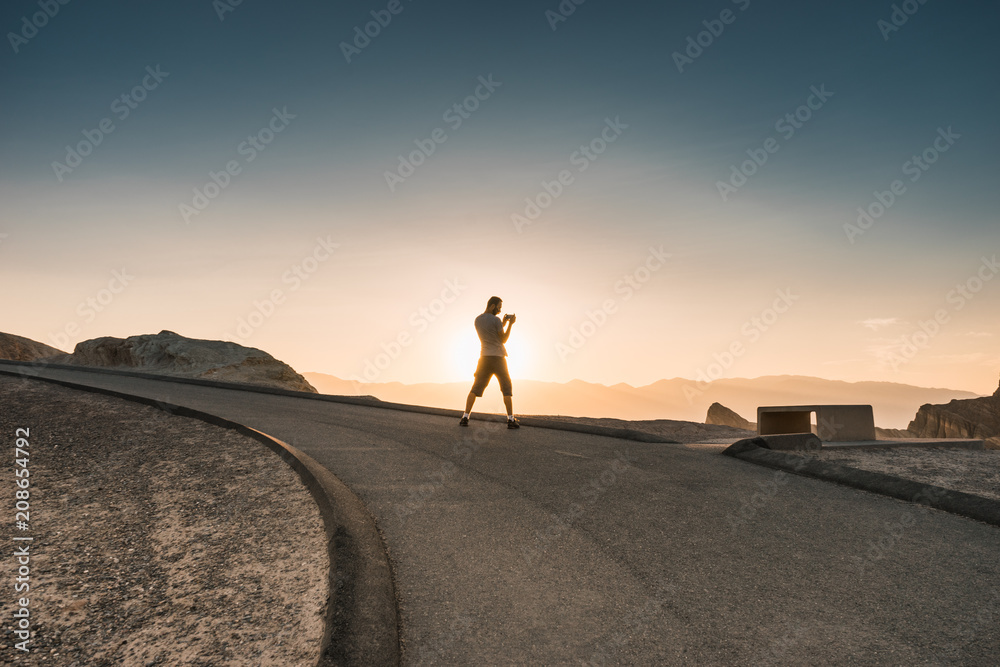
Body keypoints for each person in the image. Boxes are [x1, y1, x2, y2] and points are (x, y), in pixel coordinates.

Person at [459, 296, 519, 429]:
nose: (499, 310)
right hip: (498, 358)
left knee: (475, 388)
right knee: (506, 388)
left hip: (484, 358)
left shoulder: (477, 320)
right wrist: (509, 324)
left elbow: (490, 332)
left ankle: (465, 417)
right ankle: (510, 420)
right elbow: (502, 339)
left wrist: (502, 323)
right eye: (498, 307)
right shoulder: (496, 320)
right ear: (492, 306)